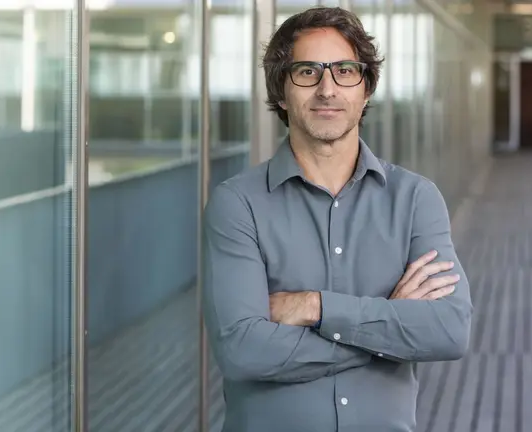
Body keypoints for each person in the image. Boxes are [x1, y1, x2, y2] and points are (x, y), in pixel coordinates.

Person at [202, 6, 473, 432]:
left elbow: (449, 330)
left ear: (366, 90)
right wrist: (388, 327)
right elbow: (242, 350)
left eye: (345, 71)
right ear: (280, 91)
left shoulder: (416, 199)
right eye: (308, 72)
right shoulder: (238, 205)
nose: (328, 89)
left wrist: (315, 307)